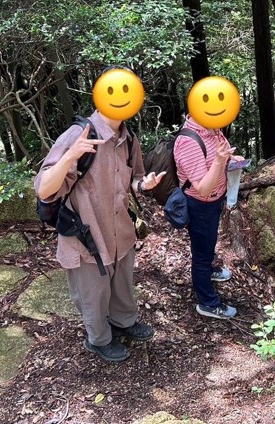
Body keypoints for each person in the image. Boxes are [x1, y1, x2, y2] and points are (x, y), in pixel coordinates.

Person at [35, 111, 165, 363]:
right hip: (87, 234)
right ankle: (99, 339)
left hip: (120, 230)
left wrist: (144, 184)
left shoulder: (128, 138)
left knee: (121, 283)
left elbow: (133, 179)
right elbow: (43, 189)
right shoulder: (78, 134)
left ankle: (124, 320)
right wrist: (71, 155)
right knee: (93, 292)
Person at [173, 112, 243, 319]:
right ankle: (208, 303)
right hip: (200, 204)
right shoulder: (188, 142)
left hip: (214, 202)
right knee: (201, 254)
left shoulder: (212, 129)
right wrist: (220, 161)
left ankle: (209, 270)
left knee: (209, 242)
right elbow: (202, 187)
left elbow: (214, 157)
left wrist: (230, 159)